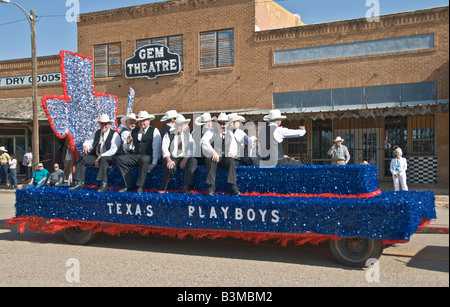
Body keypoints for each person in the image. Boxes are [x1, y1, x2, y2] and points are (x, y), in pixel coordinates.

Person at [70, 114, 121, 192]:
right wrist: (86, 146)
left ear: (109, 124)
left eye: (106, 124)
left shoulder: (114, 135)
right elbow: (89, 141)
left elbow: (114, 150)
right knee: (82, 159)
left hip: (109, 157)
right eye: (102, 123)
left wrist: (101, 156)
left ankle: (104, 184)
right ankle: (80, 183)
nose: (104, 125)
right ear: (99, 124)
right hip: (97, 156)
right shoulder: (97, 133)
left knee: (103, 160)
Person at [116, 110, 162, 193]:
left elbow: (156, 148)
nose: (142, 123)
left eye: (144, 120)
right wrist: (128, 143)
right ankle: (128, 184)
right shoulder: (134, 131)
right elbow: (128, 148)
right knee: (120, 159)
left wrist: (154, 163)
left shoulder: (154, 130)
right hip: (137, 155)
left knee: (144, 159)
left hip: (148, 156)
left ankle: (140, 186)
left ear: (148, 121)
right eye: (140, 121)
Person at [201, 113, 240, 196]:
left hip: (224, 157)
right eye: (221, 123)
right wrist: (213, 152)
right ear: (217, 124)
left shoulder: (230, 133)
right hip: (214, 156)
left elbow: (234, 145)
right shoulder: (211, 131)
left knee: (231, 160)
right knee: (211, 161)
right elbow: (204, 142)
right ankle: (211, 187)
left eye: (224, 123)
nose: (223, 126)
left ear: (228, 124)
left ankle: (233, 186)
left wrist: (231, 152)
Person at [159, 114, 198, 194]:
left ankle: (186, 187)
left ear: (184, 125)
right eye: (178, 124)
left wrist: (185, 159)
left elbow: (192, 148)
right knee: (170, 166)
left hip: (184, 157)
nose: (179, 126)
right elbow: (164, 148)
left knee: (193, 161)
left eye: (181, 124)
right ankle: (163, 188)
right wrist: (169, 160)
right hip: (172, 157)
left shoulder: (188, 135)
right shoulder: (169, 134)